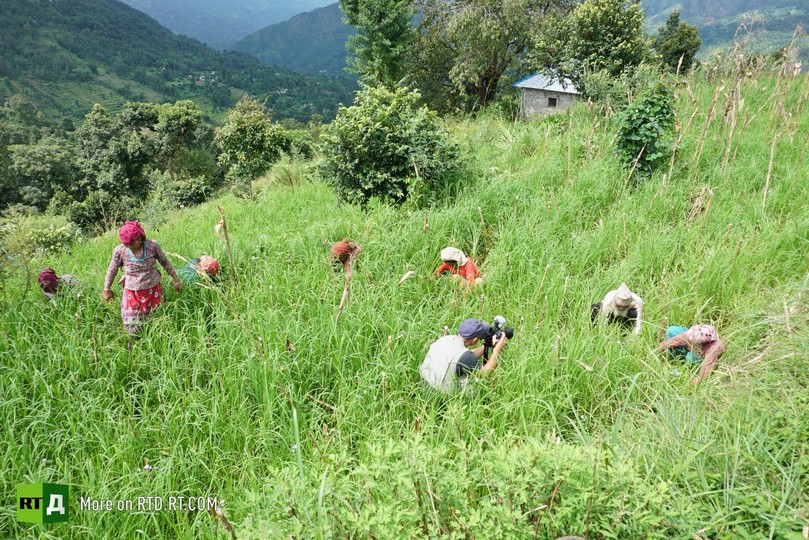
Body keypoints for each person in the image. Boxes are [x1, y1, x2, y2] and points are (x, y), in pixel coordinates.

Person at [102, 221, 182, 333]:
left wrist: (176, 280)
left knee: (157, 320)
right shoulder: (120, 251)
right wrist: (106, 288)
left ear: (140, 238)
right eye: (126, 245)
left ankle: (157, 340)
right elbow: (112, 270)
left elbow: (165, 262)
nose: (129, 247)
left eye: (132, 244)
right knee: (132, 324)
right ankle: (133, 343)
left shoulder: (152, 246)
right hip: (132, 294)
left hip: (153, 291)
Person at [419, 318, 507, 393]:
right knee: (474, 385)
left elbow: (462, 356)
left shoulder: (446, 338)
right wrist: (496, 350)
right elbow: (485, 374)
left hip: (423, 383)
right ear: (474, 340)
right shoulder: (465, 357)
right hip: (440, 394)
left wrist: (486, 345)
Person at [658, 324, 726, 382]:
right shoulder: (694, 333)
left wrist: (692, 382)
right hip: (693, 348)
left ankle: (688, 366)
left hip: (700, 355)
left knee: (690, 358)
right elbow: (675, 340)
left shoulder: (712, 349)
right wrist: (656, 351)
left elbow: (705, 371)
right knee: (672, 330)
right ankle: (676, 357)